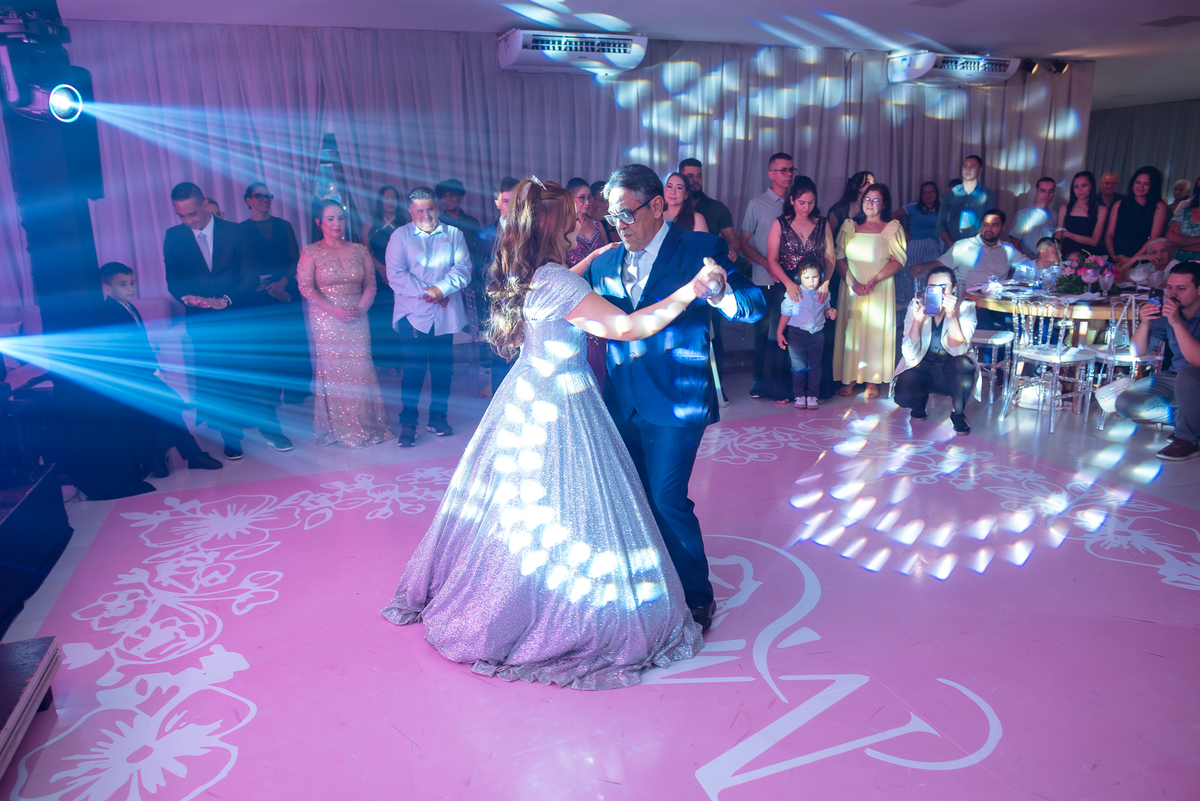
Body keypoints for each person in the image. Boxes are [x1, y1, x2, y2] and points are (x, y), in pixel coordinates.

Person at [382, 177, 716, 689]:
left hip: (527, 391)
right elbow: (627, 328)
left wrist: (584, 264)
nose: (585, 220)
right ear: (553, 225)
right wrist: (692, 290)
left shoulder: (532, 271)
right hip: (563, 401)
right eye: (572, 217)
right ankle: (553, 610)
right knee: (573, 503)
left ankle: (504, 591)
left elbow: (564, 285)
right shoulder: (561, 283)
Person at [582, 164, 765, 627]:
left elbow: (754, 306)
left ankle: (696, 595)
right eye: (613, 217)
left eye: (627, 214)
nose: (619, 225)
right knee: (635, 498)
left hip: (675, 402)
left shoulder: (701, 249)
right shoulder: (603, 263)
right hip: (621, 401)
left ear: (658, 206)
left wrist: (721, 292)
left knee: (667, 499)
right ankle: (650, 581)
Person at [163, 181, 293, 460]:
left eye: (192, 214)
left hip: (239, 318)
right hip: (201, 323)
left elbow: (249, 276)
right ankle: (231, 437)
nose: (188, 221)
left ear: (204, 205)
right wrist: (188, 297)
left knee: (256, 376)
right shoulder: (173, 237)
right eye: (182, 216)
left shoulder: (236, 232)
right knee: (217, 382)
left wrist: (224, 300)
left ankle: (272, 431)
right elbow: (173, 280)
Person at [98, 262, 222, 474]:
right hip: (131, 372)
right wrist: (154, 370)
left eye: (132, 283)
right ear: (107, 289)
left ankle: (192, 455)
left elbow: (142, 343)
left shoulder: (129, 307)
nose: (130, 288)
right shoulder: (110, 312)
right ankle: (159, 450)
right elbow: (127, 348)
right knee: (172, 402)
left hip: (144, 367)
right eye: (123, 284)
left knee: (170, 407)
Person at [296, 200, 392, 448]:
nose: (336, 223)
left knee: (360, 368)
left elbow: (371, 283)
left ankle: (369, 424)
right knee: (336, 371)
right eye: (330, 219)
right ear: (319, 222)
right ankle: (340, 427)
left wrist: (360, 308)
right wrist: (333, 311)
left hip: (358, 315)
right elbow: (306, 288)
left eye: (340, 218)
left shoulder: (360, 250)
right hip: (326, 318)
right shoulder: (310, 252)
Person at [386, 187, 471, 447]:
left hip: (444, 315)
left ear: (437, 208)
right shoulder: (400, 237)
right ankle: (408, 422)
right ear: (411, 212)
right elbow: (396, 276)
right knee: (413, 372)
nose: (426, 214)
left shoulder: (455, 234)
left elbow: (464, 269)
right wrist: (432, 292)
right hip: (413, 314)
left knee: (443, 370)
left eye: (430, 209)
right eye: (420, 210)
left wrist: (442, 289)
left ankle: (438, 417)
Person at [761, 175, 834, 401]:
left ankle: (816, 391)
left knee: (817, 338)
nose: (806, 207)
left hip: (817, 286)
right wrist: (789, 284)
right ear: (792, 200)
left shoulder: (822, 222)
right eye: (802, 202)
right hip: (787, 286)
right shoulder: (779, 223)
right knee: (784, 338)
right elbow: (772, 259)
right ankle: (782, 391)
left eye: (811, 202)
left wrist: (826, 282)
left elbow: (830, 255)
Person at [1117, 262, 1200, 460]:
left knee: (1188, 375)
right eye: (1169, 287)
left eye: (1181, 288)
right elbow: (1137, 351)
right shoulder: (1168, 314)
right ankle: (1191, 422)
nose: (1172, 294)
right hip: (1176, 378)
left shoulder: (1174, 317)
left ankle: (1187, 439)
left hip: (1194, 377)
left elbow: (1196, 360)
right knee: (1126, 404)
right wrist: (1144, 323)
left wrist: (1177, 323)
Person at [832, 183, 907, 399]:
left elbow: (898, 260)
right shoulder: (849, 226)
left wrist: (875, 279)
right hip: (852, 287)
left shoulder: (892, 227)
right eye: (867, 199)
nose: (870, 204)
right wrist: (852, 282)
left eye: (876, 200)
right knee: (851, 332)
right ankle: (851, 377)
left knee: (875, 332)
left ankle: (872, 379)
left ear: (883, 204)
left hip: (879, 287)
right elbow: (838, 257)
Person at [240, 182, 311, 405]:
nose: (264, 199)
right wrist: (260, 286)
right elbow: (242, 265)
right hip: (258, 291)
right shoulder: (241, 230)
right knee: (266, 342)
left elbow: (295, 259)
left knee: (293, 339)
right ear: (249, 200)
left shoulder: (284, 225)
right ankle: (269, 394)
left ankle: (296, 391)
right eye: (259, 196)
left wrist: (281, 284)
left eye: (267, 196)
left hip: (286, 286)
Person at [893, 265, 978, 435]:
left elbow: (959, 350)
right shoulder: (915, 307)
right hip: (922, 369)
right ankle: (919, 404)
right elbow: (909, 354)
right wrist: (917, 321)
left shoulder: (966, 308)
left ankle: (958, 414)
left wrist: (950, 315)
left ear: (953, 288)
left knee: (964, 363)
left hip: (950, 372)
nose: (939, 292)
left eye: (944, 288)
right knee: (903, 395)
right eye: (933, 287)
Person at [740, 152, 794, 398]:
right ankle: (759, 380)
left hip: (793, 280)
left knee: (794, 329)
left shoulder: (797, 202)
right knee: (763, 333)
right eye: (783, 170)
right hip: (764, 280)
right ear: (771, 174)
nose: (788, 174)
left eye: (791, 170)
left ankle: (788, 382)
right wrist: (766, 264)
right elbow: (743, 242)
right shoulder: (757, 204)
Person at [914, 209, 1023, 329]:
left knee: (1019, 325)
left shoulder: (1008, 249)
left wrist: (1045, 253)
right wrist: (921, 267)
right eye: (985, 224)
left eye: (994, 225)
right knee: (987, 328)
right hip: (971, 304)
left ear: (1003, 227)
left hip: (999, 305)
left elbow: (1030, 265)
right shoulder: (964, 246)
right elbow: (941, 264)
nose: (989, 228)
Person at [564, 177, 618, 387]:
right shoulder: (564, 226)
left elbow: (608, 259)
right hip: (575, 293)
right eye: (582, 198)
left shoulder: (598, 225)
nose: (588, 202)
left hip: (601, 292)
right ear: (570, 198)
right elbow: (562, 270)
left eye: (590, 198)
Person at [478, 177, 521, 394]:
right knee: (500, 361)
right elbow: (481, 276)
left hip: (526, 303)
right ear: (497, 202)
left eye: (515, 201)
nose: (510, 206)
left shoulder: (533, 231)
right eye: (506, 201)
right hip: (499, 307)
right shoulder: (485, 234)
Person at [360, 185, 409, 376]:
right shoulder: (370, 223)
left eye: (394, 197)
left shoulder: (405, 222)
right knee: (382, 321)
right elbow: (365, 251)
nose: (390, 201)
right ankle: (386, 363)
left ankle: (402, 362)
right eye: (386, 198)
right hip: (378, 278)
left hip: (401, 278)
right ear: (380, 201)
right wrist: (381, 268)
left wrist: (394, 272)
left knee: (401, 320)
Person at [777, 263, 836, 410]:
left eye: (815, 277)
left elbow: (824, 311)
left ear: (821, 277)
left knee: (815, 367)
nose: (811, 281)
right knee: (798, 367)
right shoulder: (794, 293)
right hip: (796, 335)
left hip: (816, 335)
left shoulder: (824, 293)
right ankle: (799, 395)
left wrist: (829, 313)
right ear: (799, 278)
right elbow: (786, 314)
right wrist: (779, 333)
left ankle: (812, 395)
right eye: (807, 277)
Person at [1105, 166, 1168, 275]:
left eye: (1146, 184)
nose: (1140, 187)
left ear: (1153, 186)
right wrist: (1114, 256)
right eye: (1138, 182)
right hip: (1116, 257)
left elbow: (1154, 238)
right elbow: (1109, 234)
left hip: (1141, 261)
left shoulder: (1159, 206)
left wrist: (1132, 260)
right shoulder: (1118, 204)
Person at [894, 180, 943, 315]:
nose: (928, 195)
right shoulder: (914, 206)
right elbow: (893, 216)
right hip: (914, 245)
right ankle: (906, 316)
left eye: (931, 192)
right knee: (910, 278)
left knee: (931, 278)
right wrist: (904, 233)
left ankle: (929, 313)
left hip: (933, 246)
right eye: (925, 193)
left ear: (936, 193)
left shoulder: (942, 208)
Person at [679, 158, 738, 259]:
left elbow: (732, 239)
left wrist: (731, 251)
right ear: (681, 178)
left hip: (707, 267)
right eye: (690, 176)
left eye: (699, 176)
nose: (695, 180)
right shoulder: (670, 208)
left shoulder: (717, 208)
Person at [936, 155, 995, 247]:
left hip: (976, 246)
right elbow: (940, 224)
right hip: (950, 248)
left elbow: (987, 224)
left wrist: (968, 245)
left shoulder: (987, 194)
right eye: (965, 166)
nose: (968, 169)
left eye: (972, 166)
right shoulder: (950, 194)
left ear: (980, 170)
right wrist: (953, 247)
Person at [1056, 171, 1108, 259]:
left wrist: (1068, 234)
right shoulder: (1065, 208)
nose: (1080, 190)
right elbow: (1058, 237)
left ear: (1091, 186)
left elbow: (1094, 241)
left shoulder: (1101, 209)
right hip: (1066, 255)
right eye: (1076, 187)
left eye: (1084, 185)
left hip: (1089, 256)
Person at [1008, 176, 1058, 257]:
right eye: (1043, 191)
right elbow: (1014, 243)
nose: (1046, 194)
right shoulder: (1023, 214)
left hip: (1046, 262)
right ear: (1036, 193)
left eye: (1051, 191)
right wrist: (1025, 262)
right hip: (1027, 261)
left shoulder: (1054, 215)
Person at [1167, 181, 1200, 262]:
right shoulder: (1183, 212)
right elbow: (1170, 239)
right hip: (1178, 263)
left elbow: (1174, 242)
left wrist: (1180, 243)